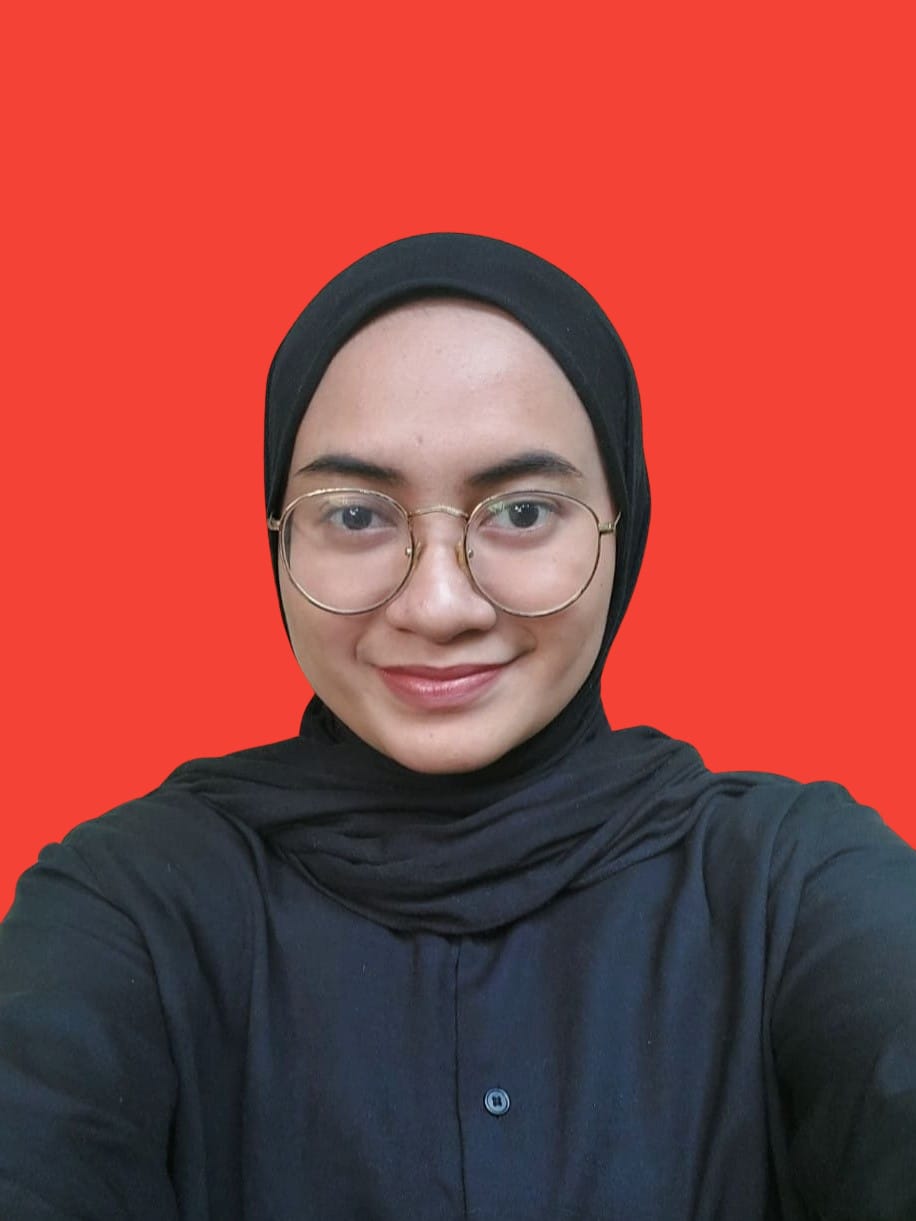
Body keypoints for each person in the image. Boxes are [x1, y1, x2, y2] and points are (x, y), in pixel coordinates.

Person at [0, 233, 913, 1220]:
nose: (438, 607)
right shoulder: (128, 906)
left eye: (521, 512)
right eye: (356, 516)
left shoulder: (789, 888)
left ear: (624, 525)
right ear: (278, 536)